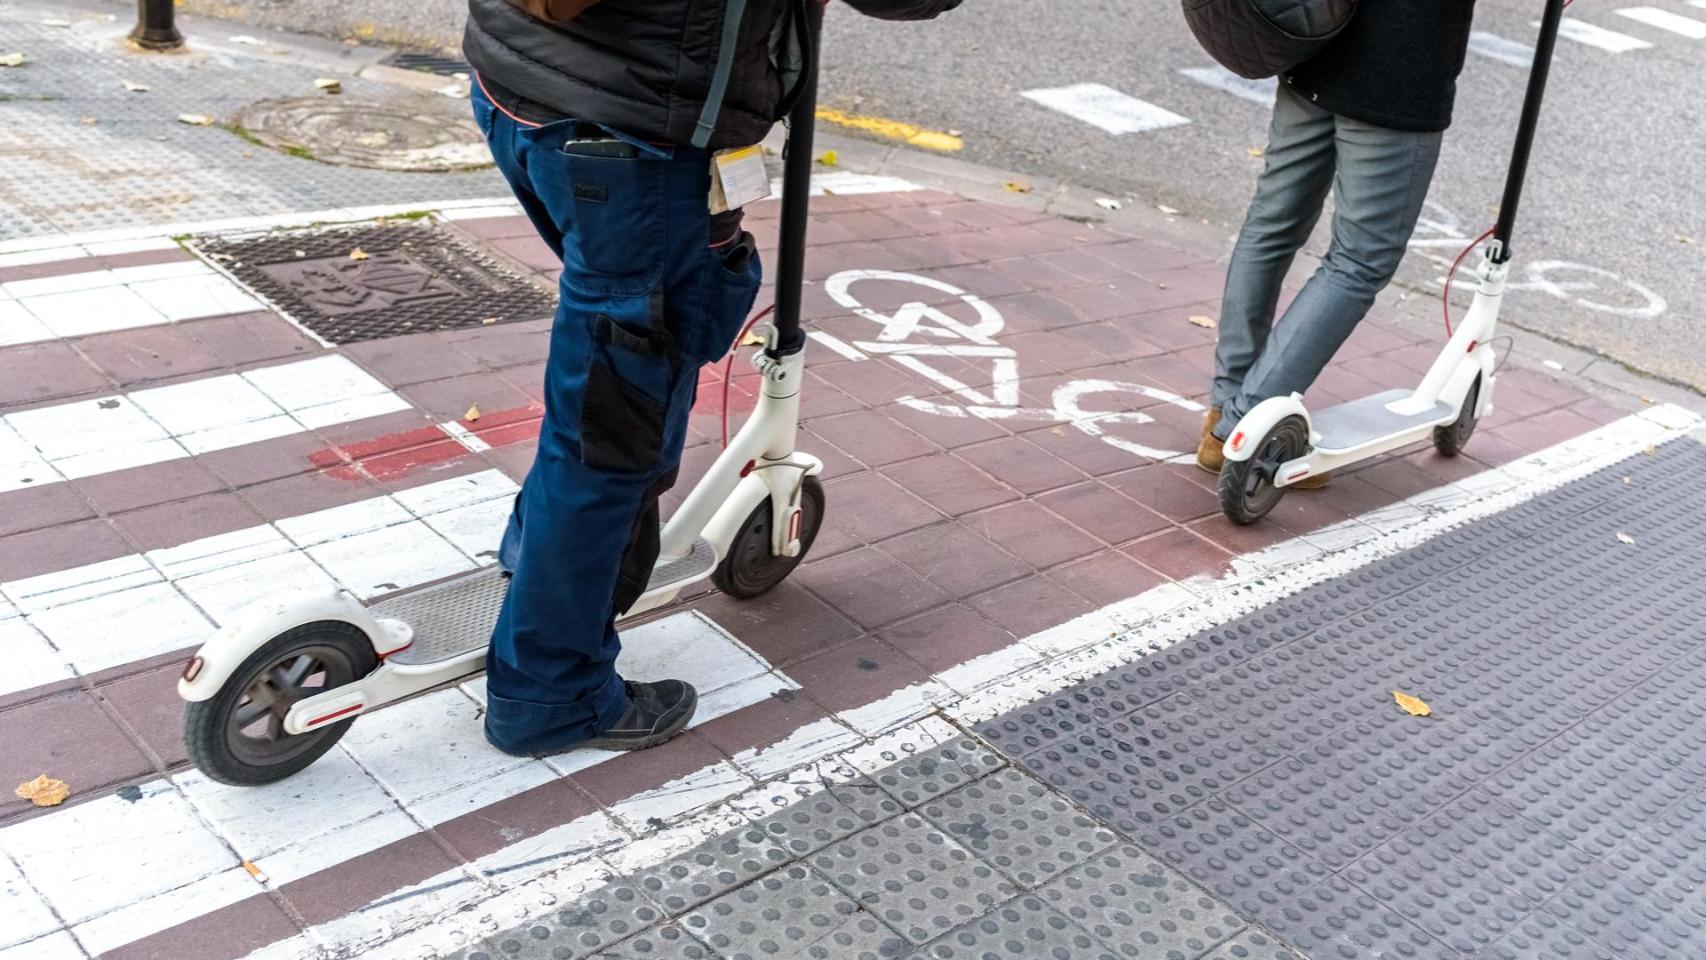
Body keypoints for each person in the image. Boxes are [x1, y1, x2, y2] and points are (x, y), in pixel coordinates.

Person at [461, 0, 962, 757]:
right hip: (641, 139)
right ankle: (550, 693)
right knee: (612, 428)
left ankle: (535, 557)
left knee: (602, 379)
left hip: (520, 87)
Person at [1198, 1, 1479, 481]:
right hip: (1397, 75)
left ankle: (1226, 407)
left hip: (1313, 44)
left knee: (1272, 223)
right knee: (1359, 262)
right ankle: (1242, 424)